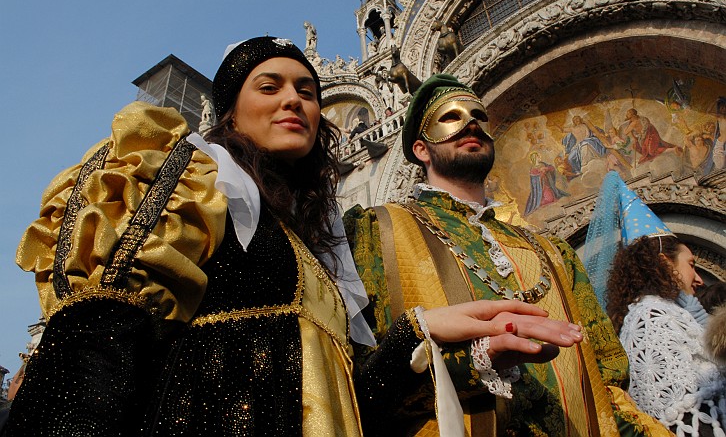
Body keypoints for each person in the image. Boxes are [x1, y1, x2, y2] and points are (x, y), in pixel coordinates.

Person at [4, 37, 578, 437]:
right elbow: (91, 346)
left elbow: (342, 406)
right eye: (269, 86)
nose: (292, 101)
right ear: (230, 111)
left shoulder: (315, 250)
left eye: (307, 91)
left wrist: (420, 333)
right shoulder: (184, 183)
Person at [345, 74, 668, 436]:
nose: (471, 124)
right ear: (421, 149)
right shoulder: (378, 232)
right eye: (451, 117)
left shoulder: (553, 252)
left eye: (478, 117)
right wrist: (473, 363)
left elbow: (606, 382)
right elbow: (362, 382)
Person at [589, 172, 726, 436]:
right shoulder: (650, 315)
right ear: (665, 263)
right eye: (691, 266)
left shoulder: (668, 312)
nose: (698, 279)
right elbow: (685, 416)